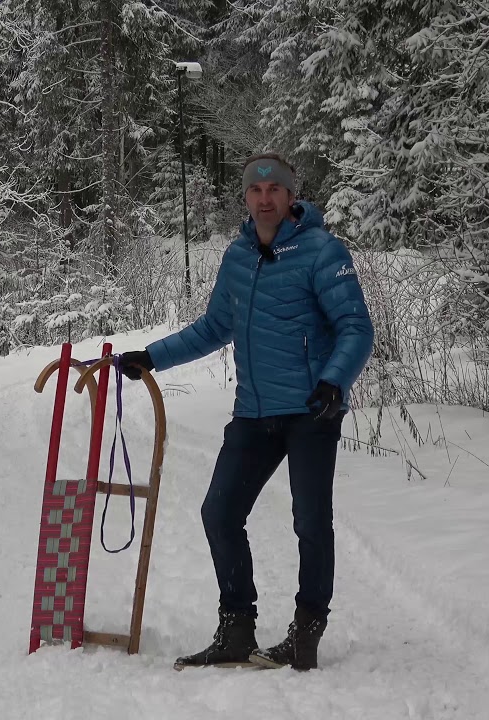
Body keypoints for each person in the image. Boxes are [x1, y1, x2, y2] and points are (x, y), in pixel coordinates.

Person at [118, 153, 374, 671]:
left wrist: (333, 381)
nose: (265, 200)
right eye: (256, 192)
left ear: (290, 195)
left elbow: (356, 327)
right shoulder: (237, 257)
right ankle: (237, 627)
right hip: (255, 411)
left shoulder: (322, 251)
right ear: (245, 199)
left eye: (274, 190)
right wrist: (152, 357)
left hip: (310, 410)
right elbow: (213, 328)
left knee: (310, 521)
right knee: (220, 512)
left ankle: (307, 630)